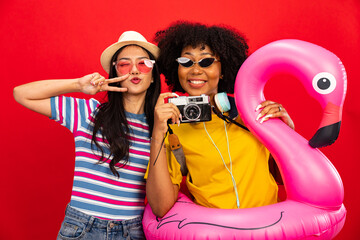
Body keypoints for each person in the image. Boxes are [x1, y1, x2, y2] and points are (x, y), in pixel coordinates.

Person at [13, 31, 160, 239]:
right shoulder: (89, 113)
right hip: (82, 228)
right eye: (125, 64)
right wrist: (78, 85)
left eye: (144, 63)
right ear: (114, 72)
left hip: (132, 231)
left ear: (153, 75)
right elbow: (21, 94)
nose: (135, 70)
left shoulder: (160, 125)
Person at [145, 21, 295, 218]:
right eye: (186, 62)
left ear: (223, 69)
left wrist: (287, 132)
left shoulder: (251, 113)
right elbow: (160, 206)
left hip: (266, 227)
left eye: (206, 62)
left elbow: (287, 177)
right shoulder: (174, 128)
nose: (195, 70)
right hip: (217, 230)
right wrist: (158, 132)